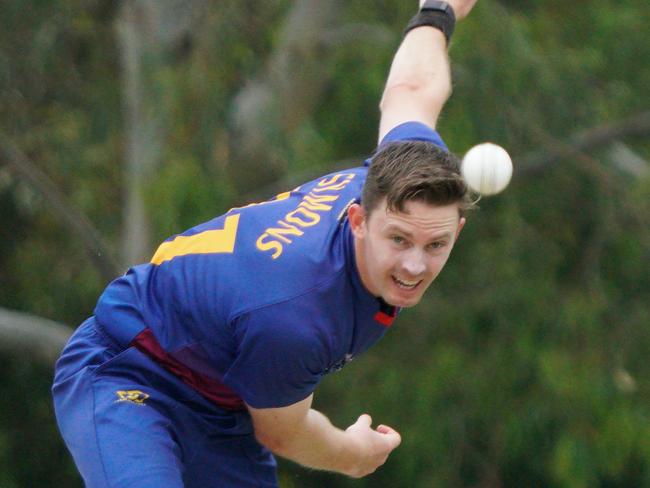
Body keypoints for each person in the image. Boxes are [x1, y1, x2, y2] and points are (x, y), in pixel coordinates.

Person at [52, 0, 479, 486]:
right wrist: (350, 454)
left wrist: (437, 12)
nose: (414, 265)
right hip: (129, 372)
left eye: (436, 245)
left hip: (221, 407)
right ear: (357, 218)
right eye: (398, 239)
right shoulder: (296, 313)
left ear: (456, 232)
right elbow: (284, 432)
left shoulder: (401, 174)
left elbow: (413, 89)